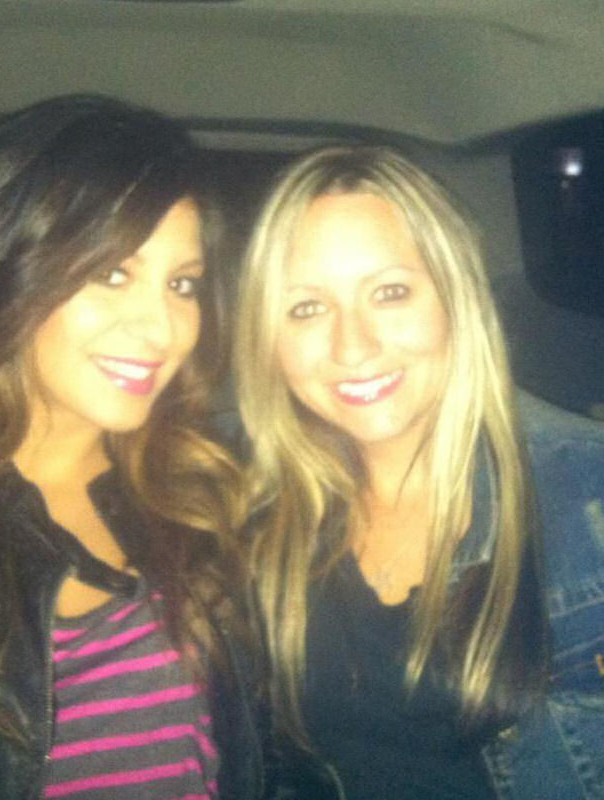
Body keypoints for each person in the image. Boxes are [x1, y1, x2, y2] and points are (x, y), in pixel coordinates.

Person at [0, 95, 309, 800]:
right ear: (6, 271)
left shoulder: (209, 493)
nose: (162, 329)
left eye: (183, 284)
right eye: (112, 274)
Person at [234, 145, 604, 798]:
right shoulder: (256, 515)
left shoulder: (587, 501)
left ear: (457, 299)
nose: (353, 346)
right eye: (306, 308)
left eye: (390, 292)